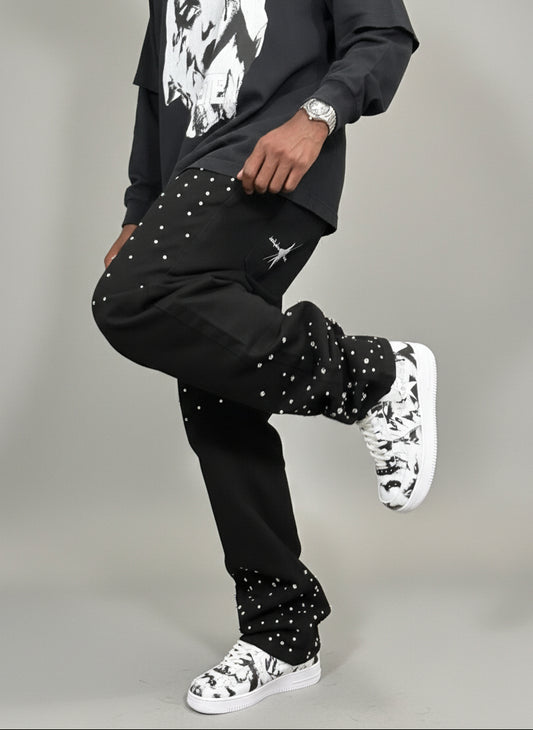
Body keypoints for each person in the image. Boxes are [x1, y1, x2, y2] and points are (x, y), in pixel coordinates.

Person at [91, 0, 436, 715]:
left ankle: (373, 376)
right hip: (190, 178)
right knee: (217, 391)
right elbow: (159, 90)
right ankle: (281, 634)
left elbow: (384, 31)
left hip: (265, 163)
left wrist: (316, 115)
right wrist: (138, 210)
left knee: (131, 298)